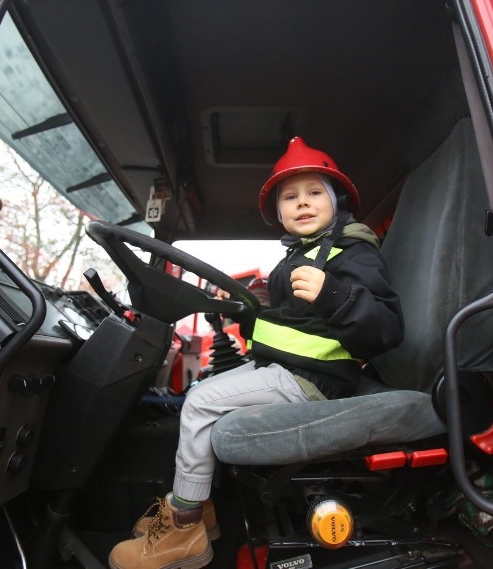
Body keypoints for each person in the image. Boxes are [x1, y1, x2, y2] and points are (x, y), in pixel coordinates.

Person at [108, 137, 404, 569]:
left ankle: (185, 530)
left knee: (200, 402)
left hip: (317, 380)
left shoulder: (352, 253)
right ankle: (200, 506)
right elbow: (295, 325)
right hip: (289, 367)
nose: (303, 203)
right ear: (278, 212)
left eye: (315, 192)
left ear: (337, 201)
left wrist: (335, 295)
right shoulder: (297, 256)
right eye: (290, 196)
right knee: (204, 390)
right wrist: (255, 313)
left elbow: (387, 329)